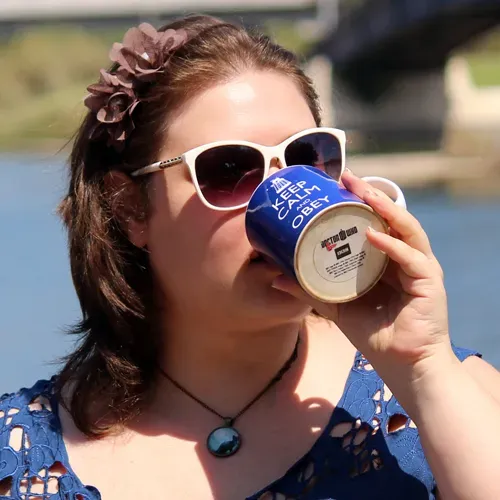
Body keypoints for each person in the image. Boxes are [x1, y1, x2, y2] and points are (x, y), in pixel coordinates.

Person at [1, 14, 499, 500]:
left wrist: (421, 370)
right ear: (130, 207)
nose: (279, 193)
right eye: (230, 168)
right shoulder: (20, 454)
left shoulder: (455, 391)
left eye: (307, 156)